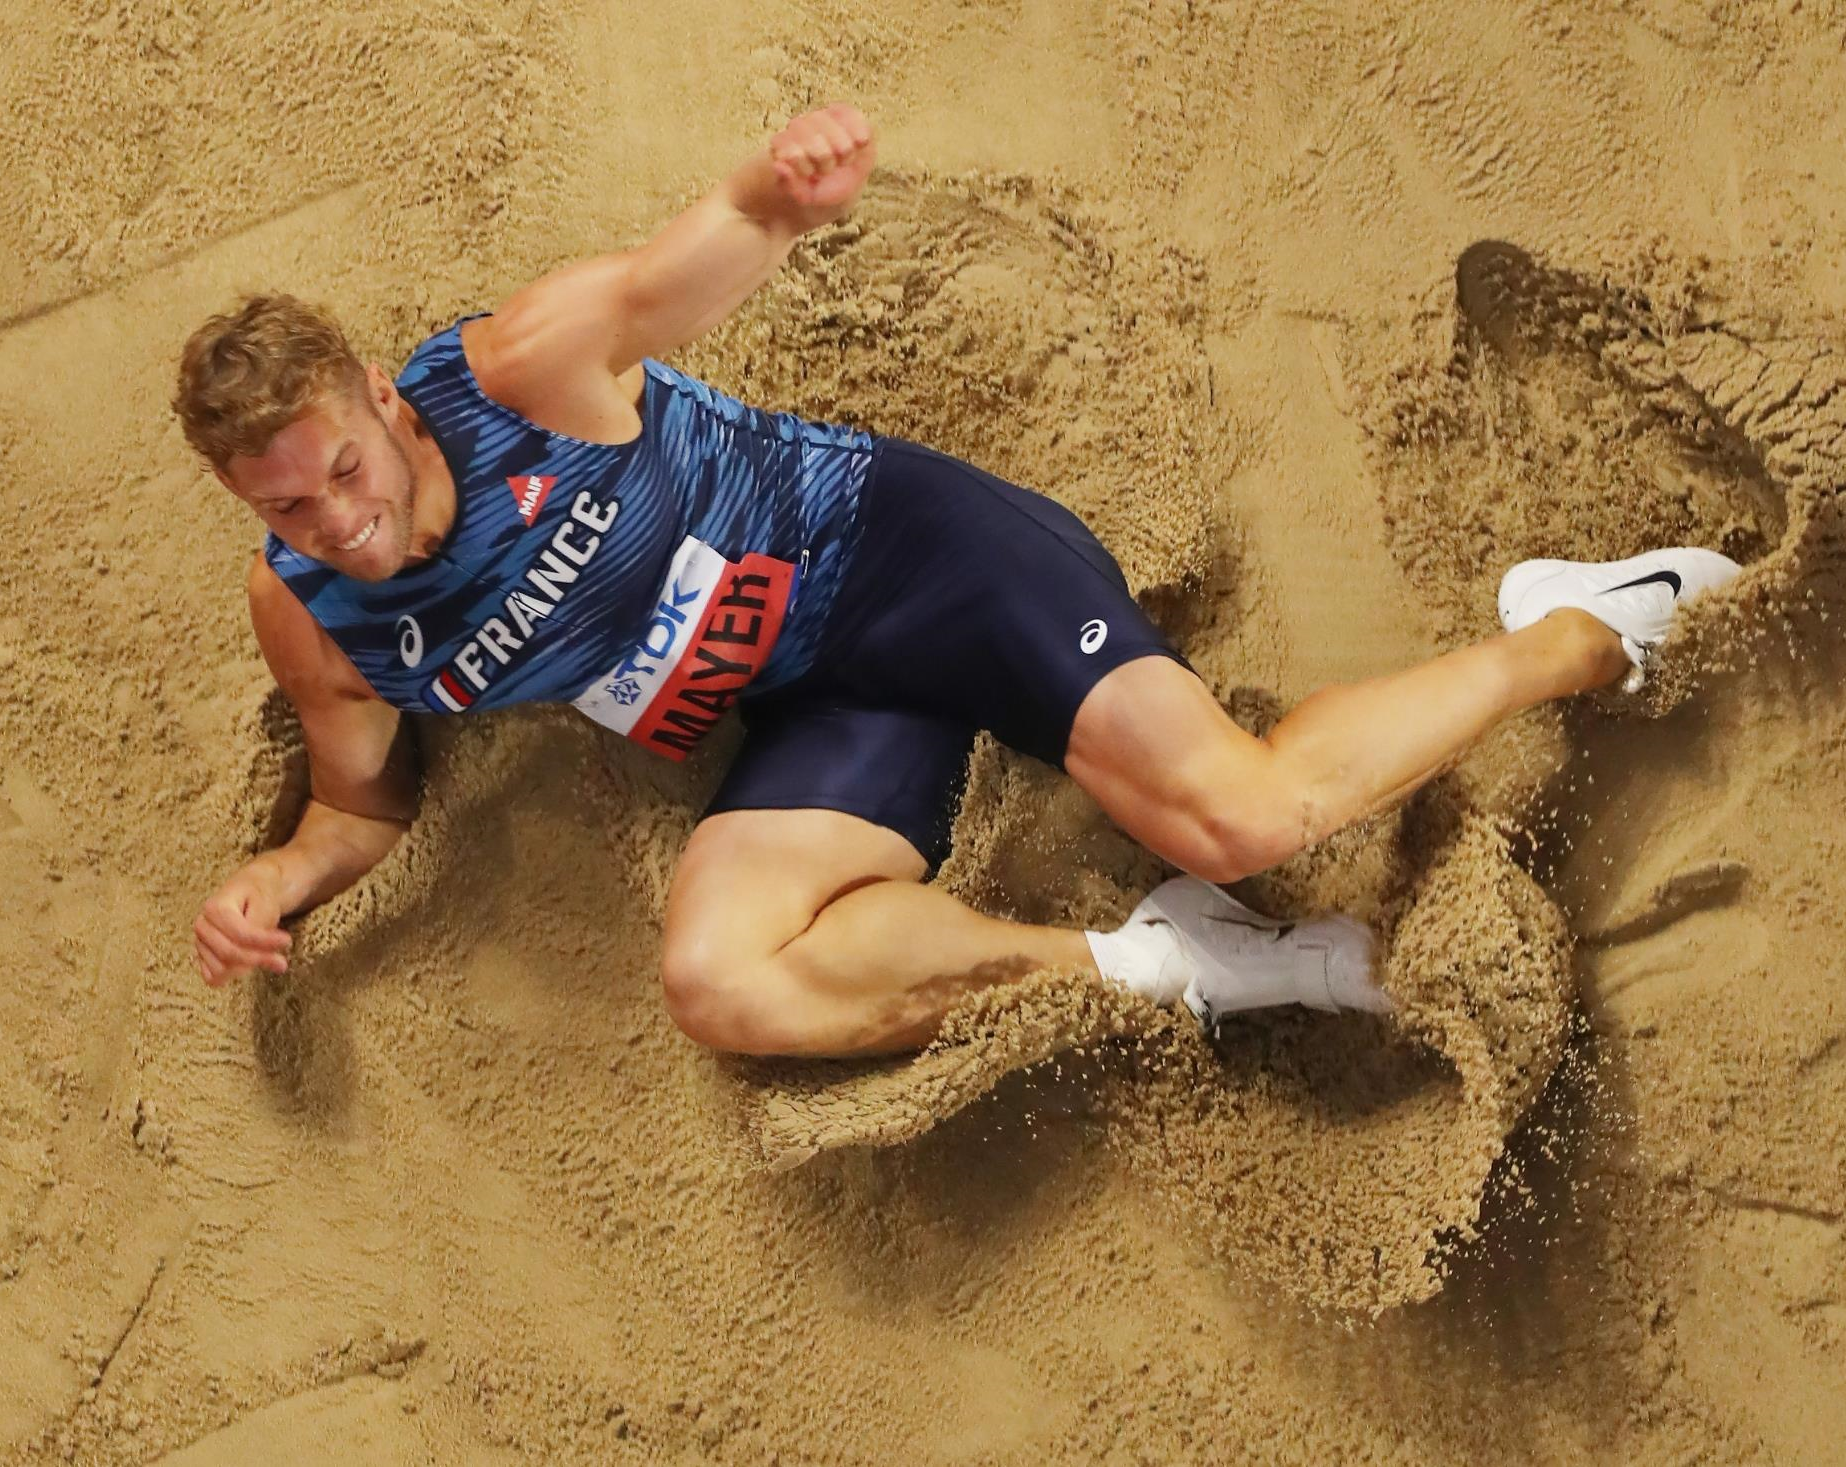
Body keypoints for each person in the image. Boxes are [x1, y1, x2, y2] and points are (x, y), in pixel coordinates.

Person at [178, 103, 1739, 1058]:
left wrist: (774, 203)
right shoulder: (307, 611)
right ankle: (1151, 962)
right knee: (721, 983)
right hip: (811, 711)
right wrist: (282, 883)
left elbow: (675, 270)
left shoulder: (518, 376)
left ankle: (1571, 631)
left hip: (910, 559)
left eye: (341, 470)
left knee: (1243, 818)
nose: (338, 521)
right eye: (288, 510)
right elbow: (360, 800)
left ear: (381, 398)